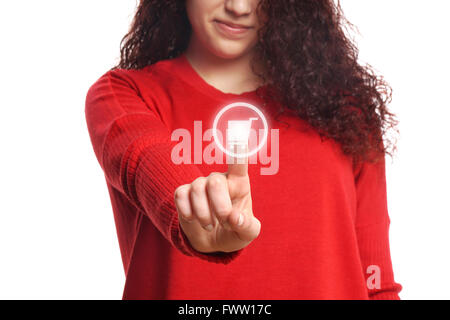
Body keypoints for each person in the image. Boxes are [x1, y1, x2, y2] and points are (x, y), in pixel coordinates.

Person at [85, 0, 402, 299]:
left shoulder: (346, 112)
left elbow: (376, 283)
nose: (238, 7)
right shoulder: (123, 94)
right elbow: (144, 159)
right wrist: (194, 213)